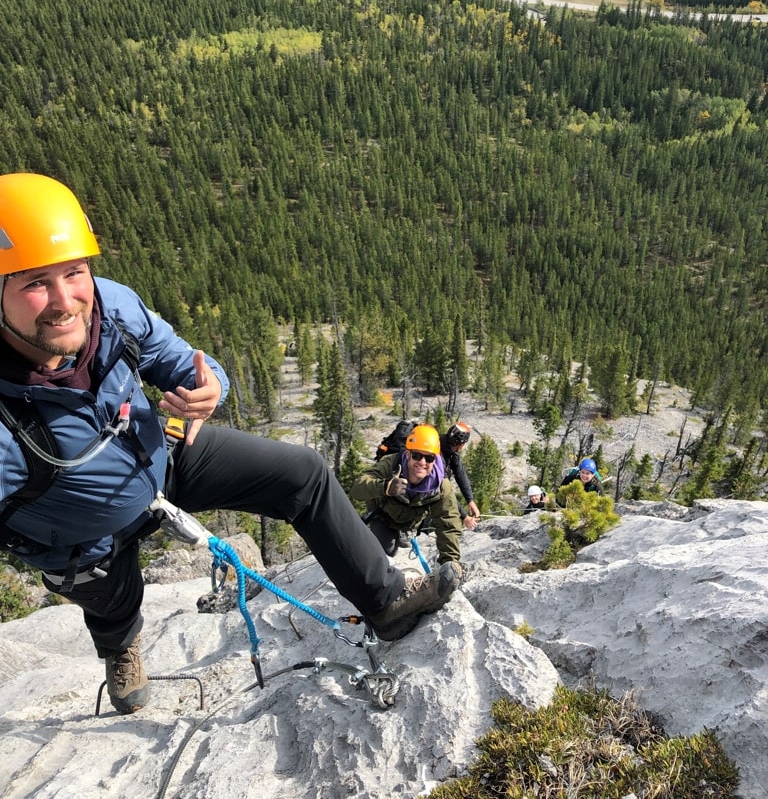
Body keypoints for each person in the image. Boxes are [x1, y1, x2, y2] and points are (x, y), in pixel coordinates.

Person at [0, 173, 461, 715]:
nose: (65, 300)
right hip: (78, 529)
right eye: (35, 282)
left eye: (74, 272)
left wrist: (209, 386)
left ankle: (384, 600)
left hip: (158, 457)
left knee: (302, 474)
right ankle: (122, 649)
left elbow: (178, 358)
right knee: (113, 603)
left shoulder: (110, 308)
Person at [350, 424, 463, 568]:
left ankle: (402, 533)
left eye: (429, 458)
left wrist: (449, 562)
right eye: (417, 455)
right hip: (384, 517)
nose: (422, 462)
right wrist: (385, 487)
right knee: (383, 553)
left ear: (435, 459)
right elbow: (357, 488)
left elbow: (448, 523)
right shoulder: (391, 464)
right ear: (408, 454)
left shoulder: (440, 485)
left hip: (410, 523)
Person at [440, 422, 481, 530]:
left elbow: (460, 475)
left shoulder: (450, 450)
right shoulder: (438, 456)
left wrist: (470, 500)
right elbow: (444, 491)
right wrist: (465, 517)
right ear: (461, 444)